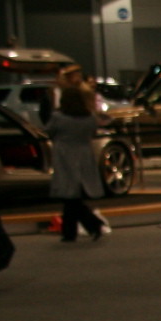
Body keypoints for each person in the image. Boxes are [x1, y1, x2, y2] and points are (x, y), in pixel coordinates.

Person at [46, 65, 110, 242]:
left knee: (70, 196)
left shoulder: (59, 118)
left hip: (64, 156)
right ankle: (70, 232)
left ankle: (92, 224)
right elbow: (93, 131)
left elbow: (49, 131)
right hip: (84, 155)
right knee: (72, 196)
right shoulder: (89, 117)